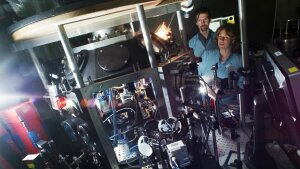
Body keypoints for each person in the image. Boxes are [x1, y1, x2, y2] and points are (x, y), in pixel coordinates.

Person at [198, 23, 243, 140]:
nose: (221, 39)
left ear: (233, 40)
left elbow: (242, 88)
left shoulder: (239, 60)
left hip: (229, 111)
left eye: (226, 37)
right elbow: (198, 78)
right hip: (208, 109)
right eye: (219, 36)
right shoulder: (207, 55)